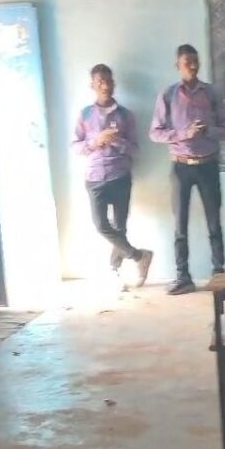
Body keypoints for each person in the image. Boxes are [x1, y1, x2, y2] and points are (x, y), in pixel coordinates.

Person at [149, 43, 225, 295]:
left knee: (214, 223)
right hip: (181, 167)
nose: (193, 66)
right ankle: (183, 276)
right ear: (178, 66)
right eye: (188, 63)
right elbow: (155, 132)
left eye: (196, 61)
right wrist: (184, 134)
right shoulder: (168, 95)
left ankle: (220, 275)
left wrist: (209, 130)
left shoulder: (212, 93)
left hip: (208, 164)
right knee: (180, 225)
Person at [73, 64, 154, 287]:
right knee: (100, 225)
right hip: (94, 176)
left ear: (114, 84)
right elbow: (75, 146)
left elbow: (136, 150)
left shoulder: (125, 115)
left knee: (120, 227)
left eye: (109, 81)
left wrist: (116, 140)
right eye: (100, 82)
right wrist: (96, 141)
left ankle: (114, 269)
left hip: (120, 175)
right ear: (92, 85)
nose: (105, 86)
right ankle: (139, 256)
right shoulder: (85, 115)